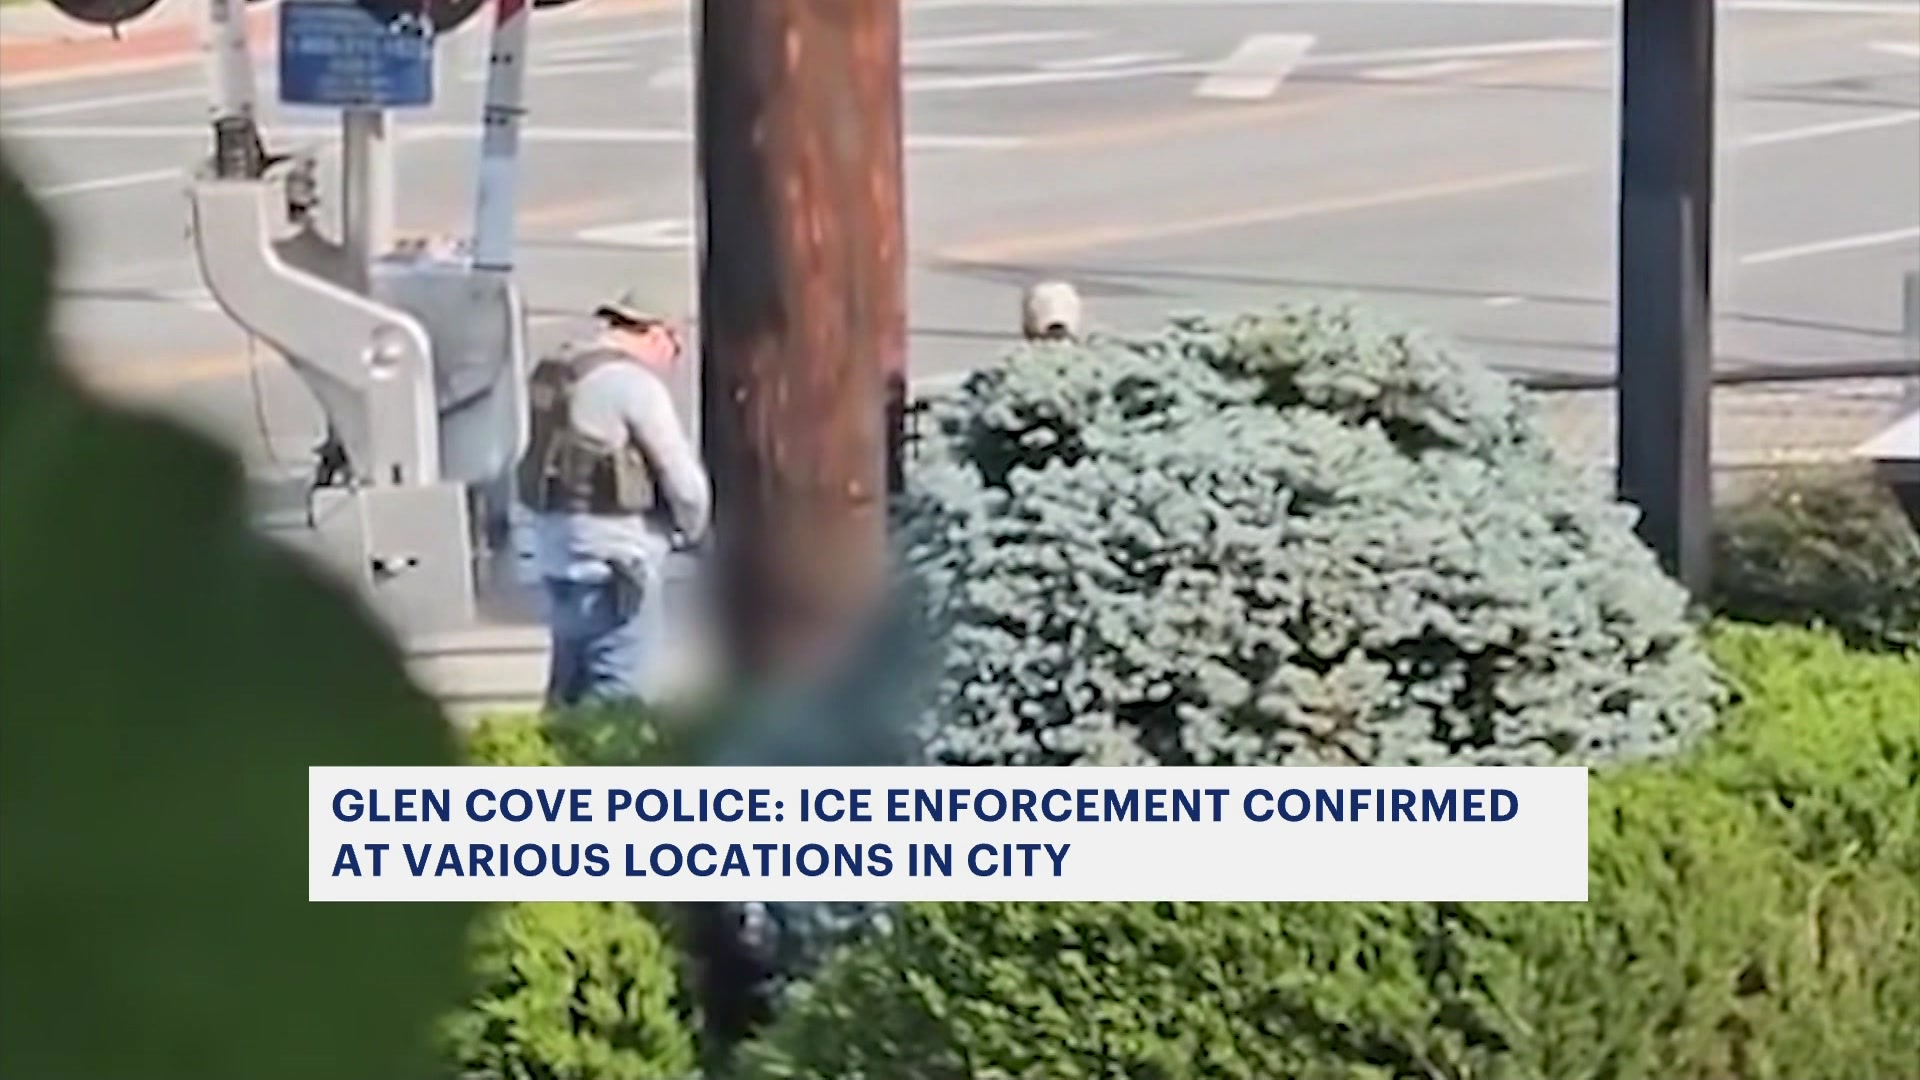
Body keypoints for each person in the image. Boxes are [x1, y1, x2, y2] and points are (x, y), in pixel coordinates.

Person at [517, 289, 711, 708]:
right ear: (657, 334)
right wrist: (694, 532)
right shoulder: (632, 384)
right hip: (618, 564)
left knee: (568, 691)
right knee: (620, 693)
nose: (673, 362)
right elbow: (684, 483)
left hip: (556, 557)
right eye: (676, 347)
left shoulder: (557, 371)